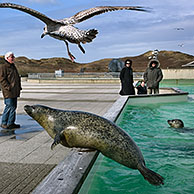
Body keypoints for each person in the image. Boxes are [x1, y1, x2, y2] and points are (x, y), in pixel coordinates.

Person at [0, 52, 22, 130]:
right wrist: (8, 87)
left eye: (13, 57)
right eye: (11, 57)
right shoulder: (3, 67)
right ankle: (4, 123)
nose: (13, 58)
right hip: (8, 91)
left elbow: (16, 78)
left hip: (15, 91)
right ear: (7, 58)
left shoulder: (13, 67)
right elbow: (2, 79)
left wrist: (19, 87)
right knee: (9, 106)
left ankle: (11, 123)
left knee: (13, 107)